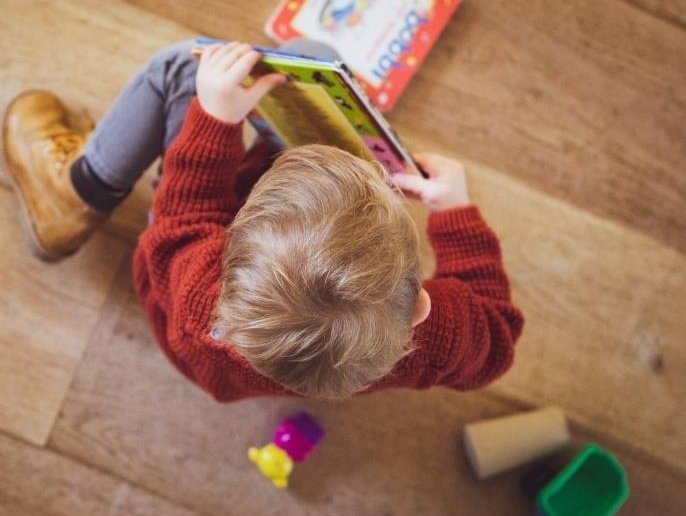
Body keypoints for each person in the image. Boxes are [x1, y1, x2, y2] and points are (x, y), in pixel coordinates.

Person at [3, 41, 524, 400]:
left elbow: (188, 214)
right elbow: (496, 338)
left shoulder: (201, 293)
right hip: (267, 365)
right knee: (313, 60)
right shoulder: (437, 335)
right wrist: (455, 213)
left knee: (182, 68)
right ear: (419, 308)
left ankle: (73, 195)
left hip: (180, 267)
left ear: (235, 245)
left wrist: (214, 118)